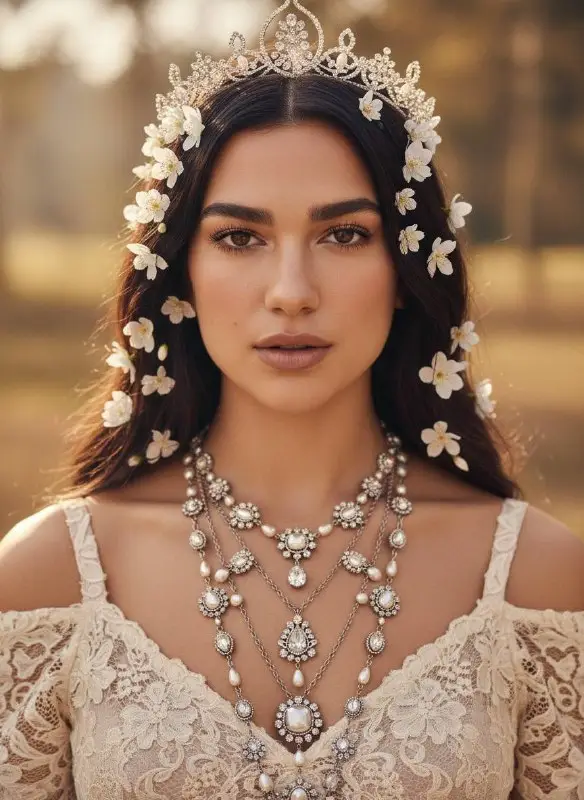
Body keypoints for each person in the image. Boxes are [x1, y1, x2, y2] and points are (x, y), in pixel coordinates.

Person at [1, 2, 583, 798]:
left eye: (344, 235)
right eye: (240, 237)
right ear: (182, 273)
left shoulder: (533, 580)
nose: (291, 292)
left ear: (407, 269)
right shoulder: (50, 577)